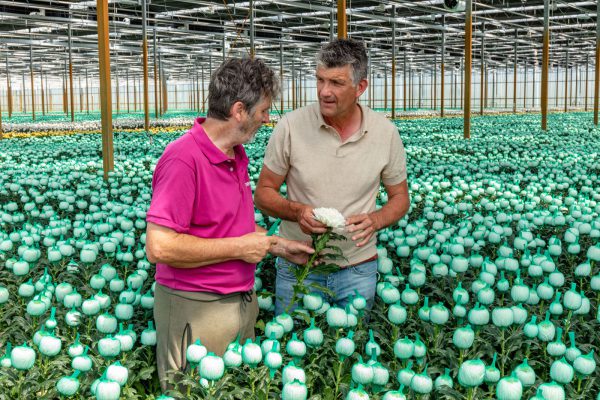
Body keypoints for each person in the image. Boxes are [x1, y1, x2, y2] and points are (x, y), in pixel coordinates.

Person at [145, 57, 314, 391]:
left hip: (238, 304)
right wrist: (242, 248)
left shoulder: (235, 155)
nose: (267, 118)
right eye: (264, 110)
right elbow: (159, 247)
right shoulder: (183, 159)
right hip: (196, 309)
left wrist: (278, 246)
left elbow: (226, 228)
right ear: (239, 110)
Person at [254, 39, 410, 315]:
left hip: (357, 269)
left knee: (352, 351)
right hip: (299, 265)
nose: (324, 91)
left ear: (360, 87)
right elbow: (264, 192)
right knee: (293, 346)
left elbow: (400, 197)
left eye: (336, 83)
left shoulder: (385, 134)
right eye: (320, 80)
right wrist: (297, 212)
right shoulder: (291, 127)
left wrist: (376, 220)